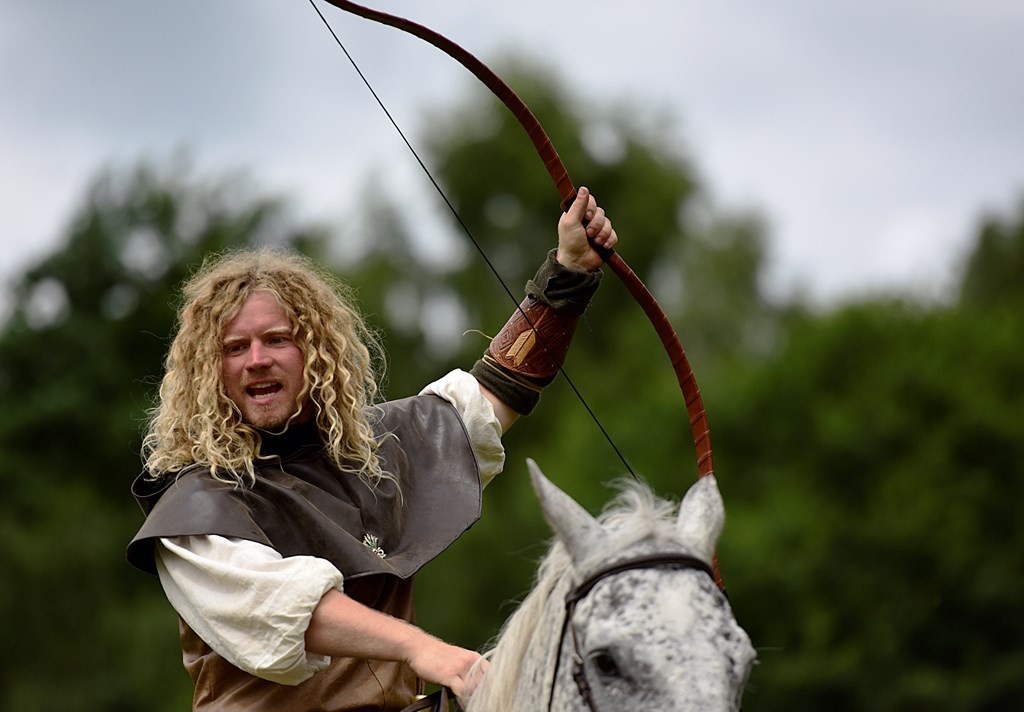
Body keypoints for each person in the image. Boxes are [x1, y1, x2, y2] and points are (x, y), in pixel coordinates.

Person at [126, 187, 617, 711]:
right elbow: (290, 608)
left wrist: (568, 273)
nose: (257, 360)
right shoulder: (194, 510)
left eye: (277, 339)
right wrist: (425, 649)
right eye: (234, 348)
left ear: (314, 352)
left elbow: (496, 390)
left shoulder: (376, 453)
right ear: (210, 371)